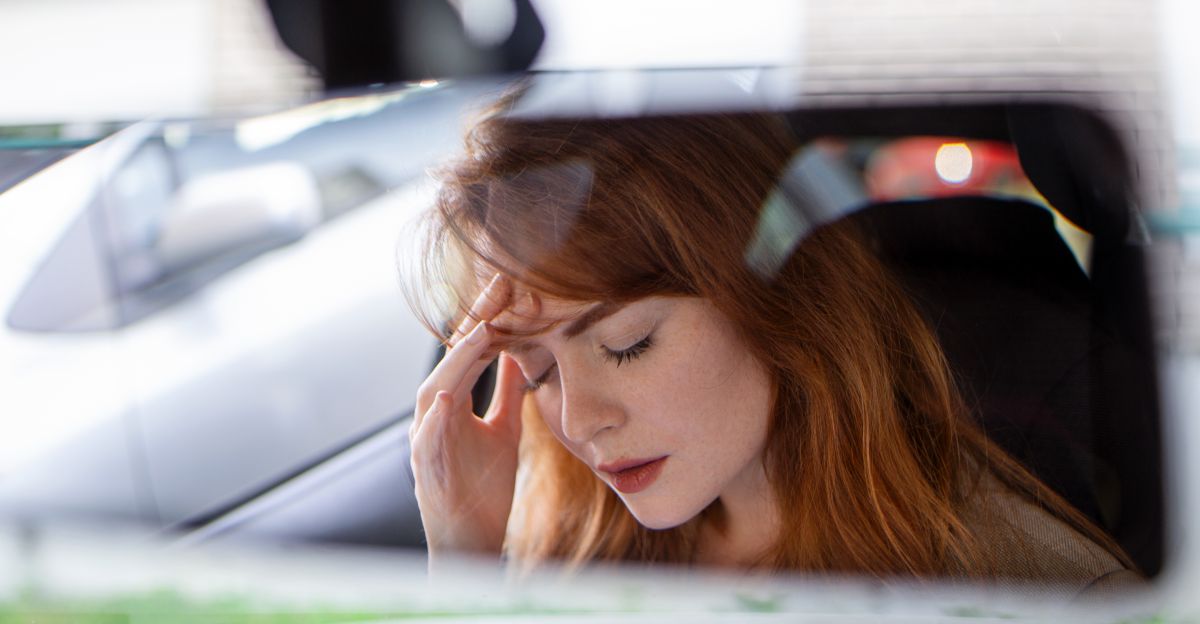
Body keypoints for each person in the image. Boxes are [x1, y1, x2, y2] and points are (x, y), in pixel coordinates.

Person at [406, 91, 1140, 594]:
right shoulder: (562, 527)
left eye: (627, 344)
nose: (576, 421)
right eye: (539, 375)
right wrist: (463, 565)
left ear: (776, 291)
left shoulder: (1015, 580)